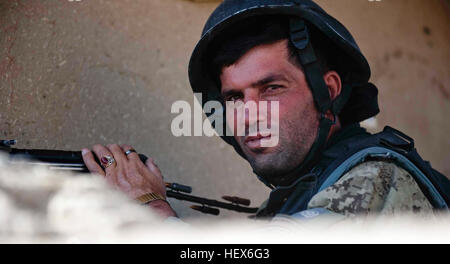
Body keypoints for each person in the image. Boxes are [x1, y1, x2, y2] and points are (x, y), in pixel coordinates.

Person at [82, 0, 449, 221]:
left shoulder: (377, 180)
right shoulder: (303, 193)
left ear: (329, 91)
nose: (248, 116)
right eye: (234, 98)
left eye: (271, 88)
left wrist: (151, 210)